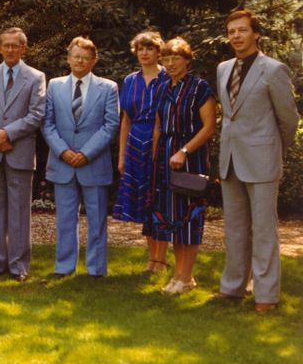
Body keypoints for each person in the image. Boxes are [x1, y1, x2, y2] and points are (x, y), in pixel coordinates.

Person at [216, 11, 299, 313]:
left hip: (262, 160)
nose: (236, 36)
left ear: (256, 34)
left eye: (242, 30)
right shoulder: (223, 68)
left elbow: (289, 119)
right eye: (231, 31)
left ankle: (266, 295)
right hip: (230, 159)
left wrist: (273, 148)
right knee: (235, 228)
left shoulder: (274, 70)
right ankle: (233, 287)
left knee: (264, 231)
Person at [42, 37, 119, 278]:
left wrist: (86, 153)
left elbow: (110, 125)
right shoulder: (54, 85)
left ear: (94, 60)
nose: (80, 61)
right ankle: (64, 267)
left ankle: (96, 269)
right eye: (76, 56)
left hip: (94, 163)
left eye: (85, 58)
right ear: (68, 58)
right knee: (65, 220)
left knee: (97, 220)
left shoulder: (108, 87)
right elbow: (47, 123)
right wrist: (63, 151)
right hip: (62, 162)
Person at [144, 37, 216, 294]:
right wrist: (155, 157)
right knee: (172, 218)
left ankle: (184, 277)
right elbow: (157, 126)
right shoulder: (162, 87)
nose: (171, 63)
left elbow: (209, 127)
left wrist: (184, 151)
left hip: (190, 157)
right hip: (165, 157)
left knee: (188, 217)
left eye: (176, 58)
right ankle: (180, 276)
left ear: (187, 60)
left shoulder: (200, 88)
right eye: (166, 58)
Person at [0, 28, 46, 281]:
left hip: (19, 150)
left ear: (24, 48)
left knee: (19, 212)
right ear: (0, 48)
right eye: (6, 45)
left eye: (16, 45)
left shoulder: (35, 77)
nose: (11, 49)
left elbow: (37, 115)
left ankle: (18, 265)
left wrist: (7, 134)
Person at [113, 31, 169, 271]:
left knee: (159, 200)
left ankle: (161, 259)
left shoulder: (167, 78)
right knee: (144, 202)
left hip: (161, 141)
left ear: (158, 52)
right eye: (140, 49)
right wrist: (122, 155)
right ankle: (151, 258)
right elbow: (125, 120)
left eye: (150, 48)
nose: (144, 53)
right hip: (135, 142)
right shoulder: (130, 80)